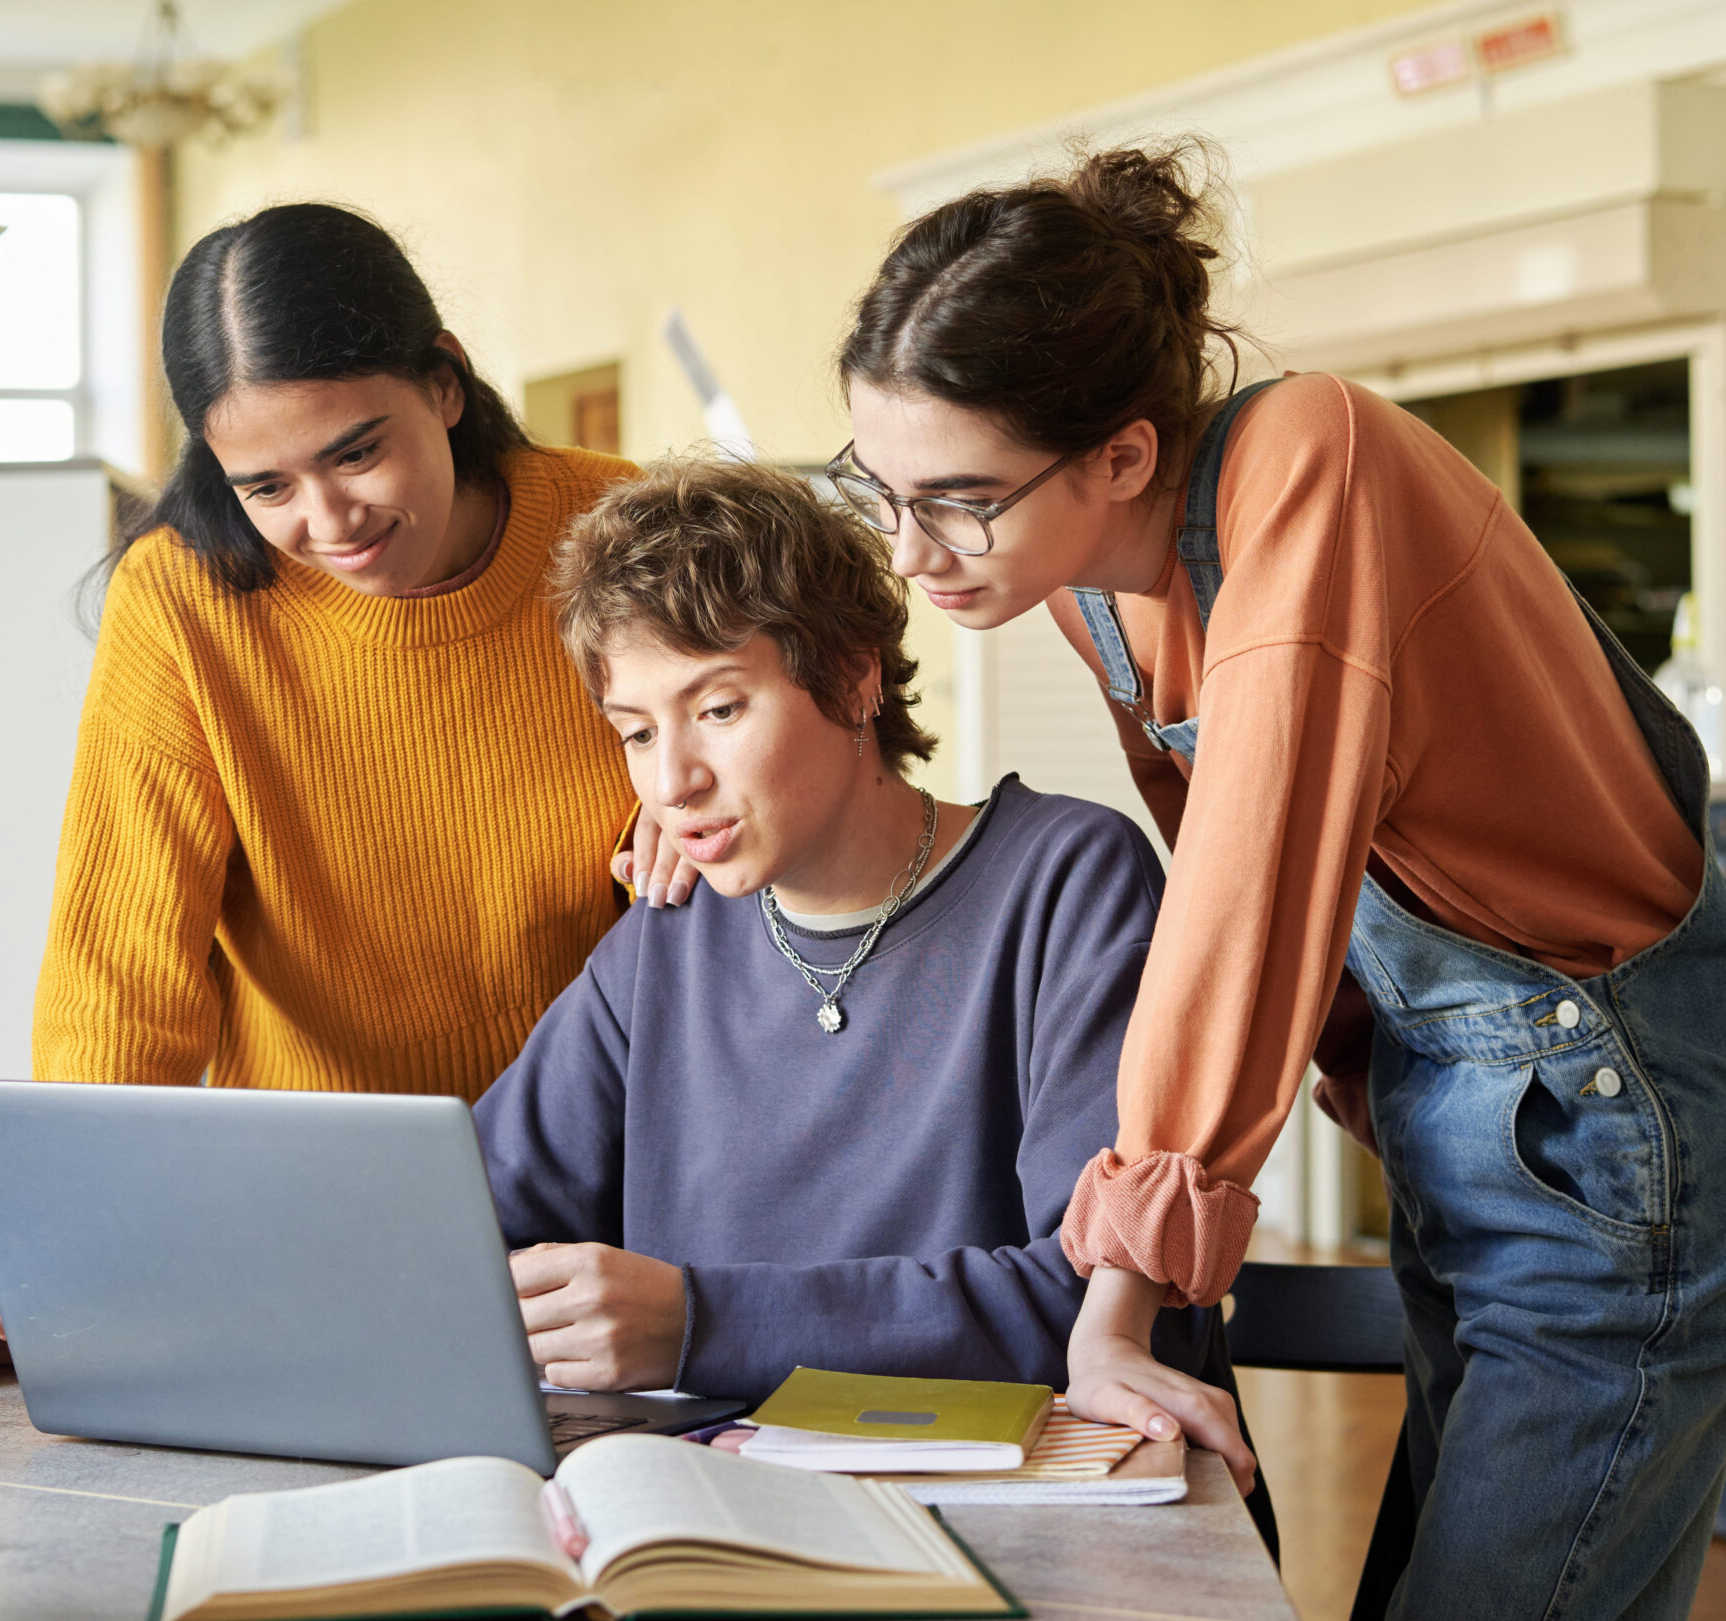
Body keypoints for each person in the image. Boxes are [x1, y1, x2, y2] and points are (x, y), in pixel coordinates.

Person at [834, 142, 1726, 1621]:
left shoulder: (1313, 452)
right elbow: (1276, 893)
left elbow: (1255, 875)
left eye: (957, 500)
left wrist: (1127, 1289)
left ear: (1125, 455)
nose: (910, 550)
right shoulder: (1094, 588)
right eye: (879, 488)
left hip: (1631, 1119)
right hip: (1475, 1133)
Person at [0, 202, 640, 1392]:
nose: (328, 522)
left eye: (355, 451)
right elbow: (120, 977)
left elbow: (778, 791)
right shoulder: (181, 601)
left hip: (618, 1194)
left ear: (444, 383)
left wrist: (703, 820)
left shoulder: (621, 529)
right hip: (318, 1215)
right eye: (264, 486)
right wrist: (69, 1263)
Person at [471, 460, 1260, 1506]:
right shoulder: (659, 947)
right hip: (734, 1523)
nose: (671, 782)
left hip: (1028, 1523)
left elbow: (1086, 1293)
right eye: (636, 731)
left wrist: (697, 1323)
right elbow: (463, 1220)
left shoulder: (1066, 881)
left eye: (716, 709)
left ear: (853, 679)